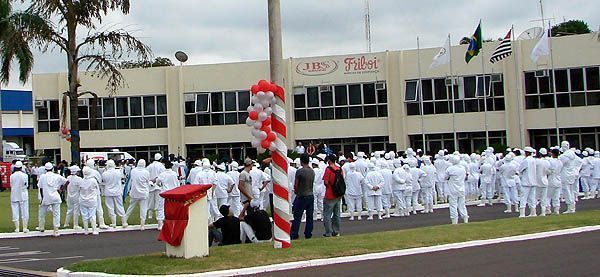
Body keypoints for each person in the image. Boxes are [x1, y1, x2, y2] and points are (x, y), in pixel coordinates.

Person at [37, 162, 67, 236]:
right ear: (52, 169)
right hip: (55, 197)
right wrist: (61, 189)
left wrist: (42, 198)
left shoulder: (42, 177)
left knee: (42, 213)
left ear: (45, 169)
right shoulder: (56, 176)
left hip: (46, 197)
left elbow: (40, 188)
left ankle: (41, 227)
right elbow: (67, 181)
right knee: (56, 214)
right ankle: (56, 230)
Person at [290, 154, 315, 239]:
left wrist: (296, 191)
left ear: (301, 161)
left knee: (297, 216)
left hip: (301, 195)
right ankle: (308, 233)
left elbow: (296, 184)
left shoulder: (300, 171)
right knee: (309, 216)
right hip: (310, 194)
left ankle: (294, 233)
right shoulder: (312, 171)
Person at [124, 159, 150, 230]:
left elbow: (131, 180)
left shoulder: (133, 171)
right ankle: (142, 224)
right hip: (143, 193)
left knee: (130, 207)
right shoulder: (146, 172)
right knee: (143, 209)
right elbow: (148, 182)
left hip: (134, 192)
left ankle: (124, 220)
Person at [155, 160, 181, 230]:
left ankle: (160, 223)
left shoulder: (162, 174)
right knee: (174, 207)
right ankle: (174, 222)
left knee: (161, 207)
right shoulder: (174, 174)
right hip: (173, 192)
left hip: (165, 192)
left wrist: (161, 185)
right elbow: (177, 184)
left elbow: (157, 182)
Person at [84, 159, 108, 229]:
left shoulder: (85, 171)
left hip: (86, 192)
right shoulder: (95, 172)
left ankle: (91, 222)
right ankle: (101, 223)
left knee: (88, 208)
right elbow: (100, 181)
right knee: (98, 208)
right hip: (95, 192)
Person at [445, 155, 469, 224]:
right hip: (461, 188)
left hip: (453, 189)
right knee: (462, 205)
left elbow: (445, 177)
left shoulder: (450, 169)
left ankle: (454, 221)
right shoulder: (463, 168)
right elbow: (465, 177)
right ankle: (465, 219)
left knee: (453, 205)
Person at [322, 155, 342, 237]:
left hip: (330, 194)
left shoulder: (328, 169)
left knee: (327, 214)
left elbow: (326, 181)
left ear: (329, 160)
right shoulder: (339, 169)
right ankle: (336, 231)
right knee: (336, 214)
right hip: (338, 194)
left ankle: (328, 232)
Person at [102, 160, 126, 228]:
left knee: (110, 207)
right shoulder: (118, 172)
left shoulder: (105, 173)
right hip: (117, 191)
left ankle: (114, 223)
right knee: (120, 206)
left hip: (108, 192)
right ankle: (124, 222)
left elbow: (104, 181)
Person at [518, 147, 538, 218]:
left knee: (523, 198)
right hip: (533, 181)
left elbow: (520, 169)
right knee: (532, 198)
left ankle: (522, 214)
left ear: (526, 153)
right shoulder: (534, 160)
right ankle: (533, 212)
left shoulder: (526, 161)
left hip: (526, 181)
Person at [10, 161, 29, 233]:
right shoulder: (25, 175)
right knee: (25, 211)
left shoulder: (12, 176)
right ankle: (25, 228)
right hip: (23, 195)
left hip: (14, 195)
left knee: (15, 211)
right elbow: (26, 185)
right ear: (21, 167)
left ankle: (17, 228)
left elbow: (11, 185)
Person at [146, 153, 166, 221]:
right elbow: (163, 175)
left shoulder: (149, 166)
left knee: (150, 201)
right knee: (158, 201)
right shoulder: (161, 166)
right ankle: (158, 216)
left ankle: (150, 215)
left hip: (151, 185)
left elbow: (147, 175)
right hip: (158, 185)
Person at [81, 167, 100, 235]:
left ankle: (86, 230)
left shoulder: (81, 181)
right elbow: (97, 188)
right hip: (92, 200)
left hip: (83, 200)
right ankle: (94, 230)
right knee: (92, 215)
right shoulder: (93, 180)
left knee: (84, 215)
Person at [64, 165, 83, 229]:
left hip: (69, 196)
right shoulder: (79, 179)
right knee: (76, 211)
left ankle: (66, 223)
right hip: (76, 196)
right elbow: (81, 188)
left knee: (69, 210)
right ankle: (75, 224)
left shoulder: (68, 177)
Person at [546, 149, 563, 215]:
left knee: (548, 196)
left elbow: (549, 170)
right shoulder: (560, 162)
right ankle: (556, 210)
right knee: (556, 196)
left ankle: (548, 209)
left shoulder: (551, 161)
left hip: (552, 179)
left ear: (552, 154)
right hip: (558, 180)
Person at [535, 148, 551, 216]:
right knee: (544, 198)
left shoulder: (537, 161)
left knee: (535, 197)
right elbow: (548, 172)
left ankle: (533, 212)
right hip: (545, 180)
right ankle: (543, 212)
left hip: (537, 181)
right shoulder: (547, 162)